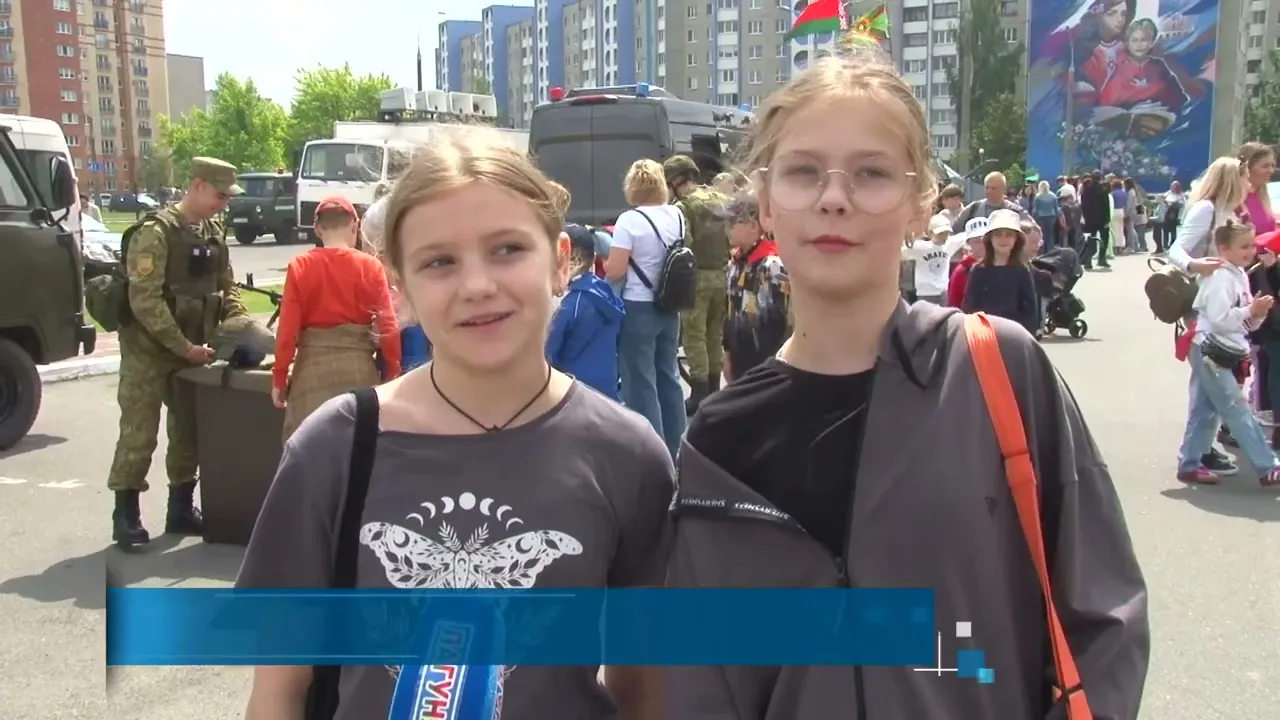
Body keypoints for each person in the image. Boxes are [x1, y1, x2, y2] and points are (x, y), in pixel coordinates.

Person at [666, 51, 1148, 718]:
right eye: (804, 171)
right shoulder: (721, 440)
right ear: (767, 202)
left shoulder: (996, 371)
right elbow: (704, 678)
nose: (835, 197)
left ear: (921, 202)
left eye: (871, 173)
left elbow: (1104, 614)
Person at [237, 133, 671, 719]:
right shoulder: (335, 447)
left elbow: (644, 687)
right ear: (400, 288)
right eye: (439, 262)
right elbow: (279, 690)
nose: (477, 286)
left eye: (508, 249)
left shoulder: (627, 454)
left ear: (560, 261)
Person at [106, 157, 250, 547]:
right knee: (139, 432)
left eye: (227, 197)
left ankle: (181, 509)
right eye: (219, 195)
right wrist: (183, 347)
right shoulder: (154, 233)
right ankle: (126, 515)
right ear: (198, 185)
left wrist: (238, 324)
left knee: (189, 430)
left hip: (193, 348)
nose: (223, 203)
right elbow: (145, 300)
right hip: (149, 351)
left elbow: (227, 286)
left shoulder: (212, 232)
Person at [271, 196, 402, 441]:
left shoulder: (300, 266)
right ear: (355, 225)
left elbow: (287, 331)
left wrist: (279, 377)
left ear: (317, 228)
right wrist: (392, 372)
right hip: (360, 372)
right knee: (363, 448)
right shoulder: (371, 266)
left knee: (309, 447)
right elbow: (388, 326)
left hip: (310, 373)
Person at [1175, 221, 1280, 486]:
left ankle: (1189, 463)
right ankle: (1267, 466)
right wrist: (1251, 311)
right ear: (1223, 248)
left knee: (1206, 409)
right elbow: (1220, 319)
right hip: (1211, 348)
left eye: (1252, 245)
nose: (1250, 251)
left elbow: (1243, 322)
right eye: (1244, 246)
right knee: (1236, 408)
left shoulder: (1237, 274)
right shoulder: (1222, 277)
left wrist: (1257, 313)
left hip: (1212, 347)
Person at [1168, 156, 1252, 477]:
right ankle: (1195, 456)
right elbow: (1176, 249)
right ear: (1232, 179)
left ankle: (1199, 451)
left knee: (1209, 385)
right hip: (1200, 305)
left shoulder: (1229, 212)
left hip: (1220, 304)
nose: (1248, 185)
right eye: (1244, 178)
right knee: (1210, 384)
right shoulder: (1207, 209)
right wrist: (1195, 264)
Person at [604, 159, 688, 457]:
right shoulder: (677, 214)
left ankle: (651, 450)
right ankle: (677, 446)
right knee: (668, 376)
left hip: (638, 305)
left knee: (640, 380)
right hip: (670, 303)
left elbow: (616, 270)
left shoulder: (629, 220)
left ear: (633, 187)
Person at [663, 154, 731, 415]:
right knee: (714, 335)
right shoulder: (720, 199)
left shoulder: (683, 207)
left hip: (697, 278)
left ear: (676, 181)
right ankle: (714, 389)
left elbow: (686, 244)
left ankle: (700, 392)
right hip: (722, 274)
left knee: (694, 337)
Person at [546, 223, 625, 399]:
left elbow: (548, 355)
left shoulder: (568, 303)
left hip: (573, 394)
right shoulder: (607, 293)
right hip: (607, 391)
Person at [718, 190, 790, 382]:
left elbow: (779, 324)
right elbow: (730, 312)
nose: (727, 229)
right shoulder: (735, 263)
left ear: (752, 225)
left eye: (732, 223)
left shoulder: (772, 265)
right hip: (739, 357)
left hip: (766, 363)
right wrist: (727, 352)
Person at [962, 209, 1041, 335]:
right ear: (990, 238)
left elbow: (1030, 312)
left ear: (1016, 239)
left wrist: (1024, 337)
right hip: (985, 336)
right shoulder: (978, 271)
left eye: (1009, 235)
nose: (1003, 239)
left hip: (1014, 335)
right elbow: (969, 308)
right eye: (998, 234)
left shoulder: (1022, 271)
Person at [902, 212, 966, 304]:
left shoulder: (950, 244)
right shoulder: (920, 247)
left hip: (944, 292)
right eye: (940, 233)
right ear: (930, 233)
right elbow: (901, 253)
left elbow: (967, 235)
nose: (944, 236)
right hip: (926, 293)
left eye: (946, 233)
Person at [949, 171, 1032, 234]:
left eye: (993, 188)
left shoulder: (1015, 211)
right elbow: (953, 232)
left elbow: (1033, 230)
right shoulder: (973, 209)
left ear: (1004, 189)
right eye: (987, 188)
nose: (989, 191)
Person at [946, 217, 988, 308]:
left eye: (985, 240)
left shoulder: (1001, 265)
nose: (982, 245)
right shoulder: (961, 271)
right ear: (969, 243)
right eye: (977, 241)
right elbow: (953, 303)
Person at [1080, 170, 1112, 269]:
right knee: (1104, 239)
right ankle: (1101, 258)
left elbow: (1083, 205)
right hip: (1102, 219)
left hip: (1089, 220)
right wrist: (1107, 219)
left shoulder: (1086, 189)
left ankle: (1088, 260)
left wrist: (1085, 217)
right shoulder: (1103, 189)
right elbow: (1106, 206)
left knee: (1090, 240)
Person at [1032, 180, 1061, 253]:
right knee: (1050, 235)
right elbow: (1056, 208)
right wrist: (1057, 217)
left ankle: (1042, 252)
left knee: (1042, 235)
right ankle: (1050, 251)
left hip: (1040, 217)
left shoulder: (1038, 196)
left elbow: (1035, 209)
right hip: (1051, 217)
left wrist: (1033, 218)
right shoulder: (1053, 196)